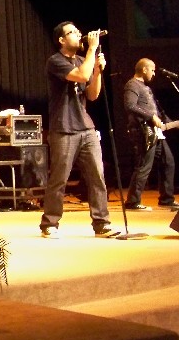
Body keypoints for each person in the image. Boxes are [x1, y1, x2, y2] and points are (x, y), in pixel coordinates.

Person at [40, 22, 118, 238]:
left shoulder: (83, 61)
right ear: (61, 40)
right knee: (59, 178)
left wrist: (98, 71)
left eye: (77, 31)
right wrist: (92, 49)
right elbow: (81, 76)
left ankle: (101, 223)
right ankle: (49, 223)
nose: (78, 34)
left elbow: (92, 95)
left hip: (86, 127)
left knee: (97, 176)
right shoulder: (55, 61)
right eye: (72, 32)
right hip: (64, 128)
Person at [123, 58, 179, 211]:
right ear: (144, 69)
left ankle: (166, 199)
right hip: (143, 132)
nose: (154, 74)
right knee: (144, 166)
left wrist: (173, 124)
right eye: (152, 70)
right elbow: (130, 105)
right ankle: (132, 202)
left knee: (168, 162)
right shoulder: (132, 85)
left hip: (156, 132)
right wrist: (151, 116)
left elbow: (158, 114)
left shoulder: (146, 88)